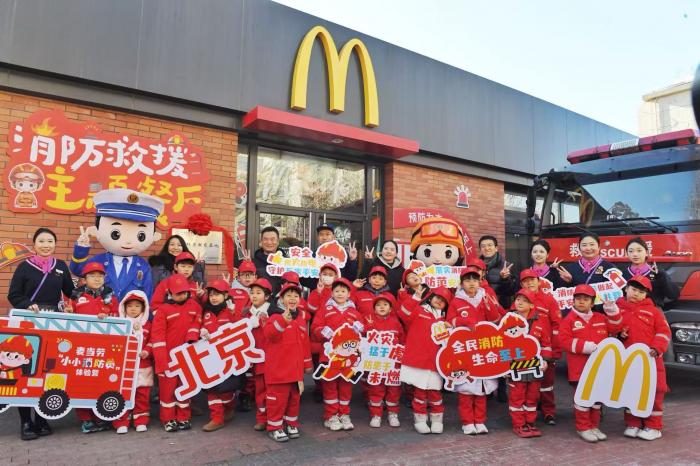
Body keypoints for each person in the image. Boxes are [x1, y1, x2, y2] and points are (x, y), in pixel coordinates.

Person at [8, 227, 75, 440]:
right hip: (29, 323)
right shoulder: (24, 267)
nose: (46, 245)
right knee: (26, 370)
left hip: (53, 323)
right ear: (34, 244)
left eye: (50, 241)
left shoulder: (61, 266)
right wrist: (27, 304)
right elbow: (13, 295)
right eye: (42, 241)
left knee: (48, 370)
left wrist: (75, 302)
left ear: (55, 244)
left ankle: (41, 418)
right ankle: (26, 422)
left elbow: (70, 292)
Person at [605, 275, 671, 441]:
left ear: (646, 295)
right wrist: (618, 334)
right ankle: (632, 423)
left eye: (641, 292)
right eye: (633, 289)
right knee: (630, 391)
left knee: (654, 392)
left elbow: (664, 332)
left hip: (651, 360)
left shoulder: (654, 311)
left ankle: (653, 427)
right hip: (628, 361)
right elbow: (610, 330)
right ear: (626, 288)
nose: (636, 294)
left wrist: (657, 348)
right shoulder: (616, 308)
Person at [70, 189, 164, 300]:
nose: (128, 241)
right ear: (96, 230)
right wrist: (81, 249)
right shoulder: (99, 261)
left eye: (141, 235)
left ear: (154, 236)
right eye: (116, 234)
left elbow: (147, 294)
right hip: (103, 310)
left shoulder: (143, 266)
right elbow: (78, 271)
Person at [446, 266, 503, 435]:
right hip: (464, 351)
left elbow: (496, 320)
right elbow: (449, 322)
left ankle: (480, 421)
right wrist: (464, 322)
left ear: (480, 282)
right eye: (467, 280)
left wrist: (489, 306)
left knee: (482, 389)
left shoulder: (486, 297)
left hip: (484, 349)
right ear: (461, 283)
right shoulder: (456, 301)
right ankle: (467, 422)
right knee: (465, 389)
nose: (471, 283)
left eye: (475, 280)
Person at [559, 284, 616, 443]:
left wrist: (612, 311)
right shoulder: (568, 320)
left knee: (597, 400)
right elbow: (564, 341)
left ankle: (594, 426)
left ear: (592, 303)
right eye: (578, 298)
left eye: (586, 299)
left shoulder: (601, 318)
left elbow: (616, 328)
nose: (581, 301)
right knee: (583, 399)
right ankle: (583, 428)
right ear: (573, 301)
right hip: (579, 370)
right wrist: (586, 347)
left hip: (599, 368)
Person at [68, 261, 118, 434]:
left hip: (104, 348)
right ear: (84, 279)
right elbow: (67, 317)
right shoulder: (76, 296)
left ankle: (100, 416)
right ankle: (85, 419)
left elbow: (118, 317)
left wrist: (110, 316)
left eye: (100, 276)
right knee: (81, 381)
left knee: (101, 381)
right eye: (92, 276)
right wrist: (68, 313)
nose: (97, 279)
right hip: (81, 347)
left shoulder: (110, 296)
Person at [311, 277, 364, 431]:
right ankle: (331, 416)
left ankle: (344, 414)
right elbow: (314, 329)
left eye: (343, 291)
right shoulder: (325, 310)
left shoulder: (354, 312)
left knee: (346, 386)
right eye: (336, 291)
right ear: (332, 293)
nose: (340, 294)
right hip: (329, 357)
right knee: (329, 386)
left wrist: (361, 328)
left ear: (349, 294)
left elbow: (364, 332)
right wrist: (322, 331)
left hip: (349, 359)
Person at [152, 275, 203, 432]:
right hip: (168, 358)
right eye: (178, 293)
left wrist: (193, 335)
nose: (182, 295)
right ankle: (168, 419)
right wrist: (161, 361)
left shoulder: (195, 306)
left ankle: (183, 417)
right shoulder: (163, 310)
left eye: (184, 292)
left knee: (185, 388)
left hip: (187, 356)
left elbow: (198, 321)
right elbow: (157, 337)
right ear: (169, 293)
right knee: (167, 392)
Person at [398, 286, 452, 434]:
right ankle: (420, 420)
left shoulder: (445, 319)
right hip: (419, 360)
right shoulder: (419, 310)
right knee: (420, 393)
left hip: (436, 362)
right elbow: (403, 313)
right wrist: (415, 297)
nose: (439, 301)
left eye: (443, 301)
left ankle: (437, 420)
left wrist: (451, 328)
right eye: (437, 297)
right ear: (431, 297)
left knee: (435, 393)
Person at [263, 282, 313, 442]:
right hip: (278, 371)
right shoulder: (274, 317)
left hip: (295, 371)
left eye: (296, 296)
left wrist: (307, 364)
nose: (292, 299)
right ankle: (275, 427)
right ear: (281, 298)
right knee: (277, 401)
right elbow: (269, 335)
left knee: (294, 400)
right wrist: (283, 321)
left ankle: (291, 423)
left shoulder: (299, 319)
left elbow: (305, 344)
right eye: (288, 295)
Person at [505, 290, 553, 438]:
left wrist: (545, 360)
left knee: (532, 397)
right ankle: (519, 424)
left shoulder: (539, 323)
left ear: (532, 305)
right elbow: (501, 345)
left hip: (534, 368)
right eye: (518, 299)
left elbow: (546, 344)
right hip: (516, 368)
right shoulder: (508, 321)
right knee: (517, 396)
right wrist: (504, 367)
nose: (519, 302)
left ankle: (530, 423)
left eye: (524, 300)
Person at [518, 269, 562, 425]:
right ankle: (528, 412)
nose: (529, 283)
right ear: (521, 284)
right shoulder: (519, 300)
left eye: (532, 279)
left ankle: (549, 412)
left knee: (546, 383)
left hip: (545, 349)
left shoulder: (549, 300)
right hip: (524, 352)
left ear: (539, 281)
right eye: (525, 281)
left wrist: (555, 350)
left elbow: (557, 325)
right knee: (526, 384)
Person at [199, 279, 239, 432]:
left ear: (226, 295)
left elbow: (239, 327)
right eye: (211, 295)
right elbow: (199, 326)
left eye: (217, 294)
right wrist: (201, 332)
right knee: (211, 388)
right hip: (210, 357)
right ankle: (217, 418)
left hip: (228, 356)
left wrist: (234, 313)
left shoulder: (231, 310)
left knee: (226, 390)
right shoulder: (206, 312)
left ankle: (229, 408)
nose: (214, 298)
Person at [113, 291, 153, 434]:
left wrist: (147, 351)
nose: (133, 309)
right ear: (124, 307)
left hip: (143, 365)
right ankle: (121, 421)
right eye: (130, 306)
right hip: (123, 365)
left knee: (142, 394)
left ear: (143, 308)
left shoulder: (148, 325)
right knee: (122, 394)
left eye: (137, 306)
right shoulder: (119, 323)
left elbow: (152, 341)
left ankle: (141, 420)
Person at [364, 293, 404, 428]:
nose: (382, 307)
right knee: (376, 389)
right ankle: (376, 415)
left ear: (390, 308)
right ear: (374, 308)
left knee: (394, 389)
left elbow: (402, 341)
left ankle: (393, 414)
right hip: (376, 363)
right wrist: (368, 327)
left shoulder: (396, 322)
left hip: (393, 364)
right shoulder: (369, 321)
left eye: (385, 305)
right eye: (378, 305)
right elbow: (364, 339)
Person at [241, 278, 274, 431]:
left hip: (272, 358)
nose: (254, 296)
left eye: (258, 293)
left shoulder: (274, 312)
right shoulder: (246, 314)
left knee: (272, 390)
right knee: (260, 389)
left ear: (267, 296)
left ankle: (274, 417)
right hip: (255, 358)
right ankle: (262, 418)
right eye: (252, 292)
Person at [622, 237, 679, 307]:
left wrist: (662, 276)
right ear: (627, 253)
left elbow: (673, 295)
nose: (635, 254)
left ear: (647, 253)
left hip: (653, 311)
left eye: (639, 251)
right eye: (631, 251)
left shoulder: (657, 273)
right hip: (629, 311)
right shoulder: (623, 274)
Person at [300, 223, 359, 289]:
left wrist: (352, 260)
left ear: (333, 237)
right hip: (319, 292)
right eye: (321, 234)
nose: (324, 237)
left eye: (328, 234)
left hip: (338, 293)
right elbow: (304, 281)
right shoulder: (311, 256)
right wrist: (318, 285)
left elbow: (351, 277)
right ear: (318, 237)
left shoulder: (342, 254)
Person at [246, 226, 287, 295]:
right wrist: (246, 267)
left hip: (281, 300)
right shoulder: (252, 262)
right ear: (261, 242)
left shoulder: (287, 262)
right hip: (259, 300)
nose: (269, 242)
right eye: (265, 239)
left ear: (278, 242)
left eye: (272, 239)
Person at [478, 235, 516, 308]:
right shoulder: (476, 267)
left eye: (490, 245)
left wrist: (505, 279)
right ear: (480, 249)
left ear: (496, 248)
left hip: (500, 308)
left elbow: (511, 292)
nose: (487, 248)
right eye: (483, 246)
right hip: (481, 308)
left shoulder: (506, 266)